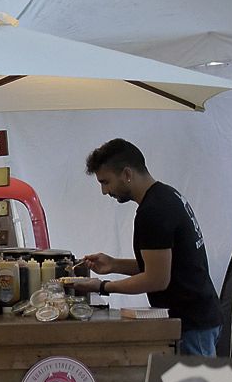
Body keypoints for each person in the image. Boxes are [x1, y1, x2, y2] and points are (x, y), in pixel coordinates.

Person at [74, 138, 223, 356]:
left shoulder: (153, 212)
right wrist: (113, 264)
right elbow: (165, 265)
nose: (105, 192)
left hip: (191, 324)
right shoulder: (167, 195)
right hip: (199, 317)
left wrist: (102, 287)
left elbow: (156, 279)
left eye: (105, 182)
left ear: (127, 174)